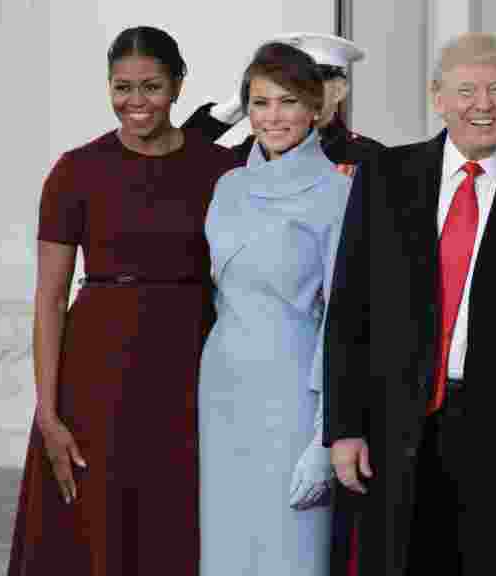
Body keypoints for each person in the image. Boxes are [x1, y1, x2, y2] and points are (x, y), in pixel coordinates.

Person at [324, 32, 496, 576]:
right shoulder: (385, 177)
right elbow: (351, 310)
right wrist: (344, 426)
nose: (483, 105)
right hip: (395, 433)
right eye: (466, 90)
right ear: (437, 96)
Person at [7, 26, 238, 576]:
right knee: (95, 511)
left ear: (179, 85)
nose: (136, 102)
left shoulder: (220, 169)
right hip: (98, 368)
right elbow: (49, 297)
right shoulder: (76, 170)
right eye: (122, 87)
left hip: (192, 357)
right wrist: (49, 410)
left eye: (151, 86)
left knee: (180, 508)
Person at [197, 42, 351, 575]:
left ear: (316, 108)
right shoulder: (227, 186)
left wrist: (323, 437)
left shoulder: (338, 191)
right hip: (221, 389)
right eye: (259, 103)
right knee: (226, 547)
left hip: (293, 396)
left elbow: (342, 320)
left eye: (288, 102)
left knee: (291, 552)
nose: (273, 117)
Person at [183, 32, 383, 175]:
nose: (293, 91)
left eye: (308, 81)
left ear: (339, 89)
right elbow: (177, 160)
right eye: (281, 83)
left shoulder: (370, 158)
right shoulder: (248, 153)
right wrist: (231, 109)